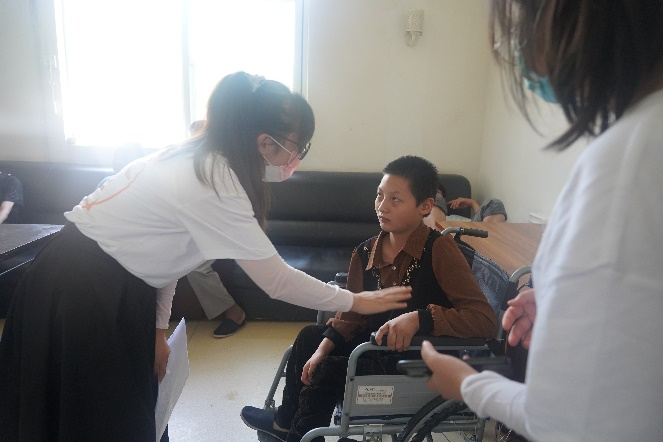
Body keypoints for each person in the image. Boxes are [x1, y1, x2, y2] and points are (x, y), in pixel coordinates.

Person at [0, 72, 411, 441]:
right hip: (82, 290)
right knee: (98, 414)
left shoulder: (201, 157)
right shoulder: (215, 178)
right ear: (264, 142)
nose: (295, 160)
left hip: (102, 281)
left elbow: (169, 259)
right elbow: (276, 279)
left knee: (127, 408)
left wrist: (157, 332)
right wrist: (356, 301)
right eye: (295, 147)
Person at [421, 1, 663, 440]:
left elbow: (566, 422)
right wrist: (564, 302)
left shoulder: (629, 160)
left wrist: (469, 385)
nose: (516, 45)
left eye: (520, 23)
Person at [240, 155, 498, 442]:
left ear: (425, 206)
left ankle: (303, 436)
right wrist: (322, 348)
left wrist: (421, 318)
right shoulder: (365, 252)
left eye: (395, 199)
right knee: (309, 339)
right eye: (379, 195)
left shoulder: (440, 250)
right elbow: (351, 316)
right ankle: (284, 423)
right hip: (374, 348)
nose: (382, 206)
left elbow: (485, 321)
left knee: (329, 371)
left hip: (413, 361)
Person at [184, 120, 248, 338]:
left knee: (196, 267)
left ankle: (234, 312)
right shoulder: (191, 168)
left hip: (228, 228)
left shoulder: (226, 166)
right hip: (199, 227)